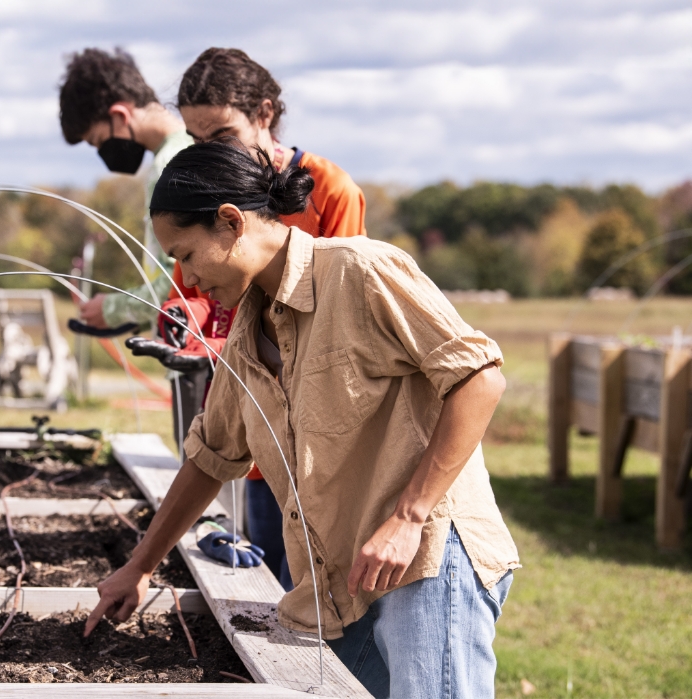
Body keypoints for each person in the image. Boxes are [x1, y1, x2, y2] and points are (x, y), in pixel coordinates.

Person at [85, 142, 519, 699]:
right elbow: (210, 456)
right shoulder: (245, 330)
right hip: (345, 579)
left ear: (230, 222)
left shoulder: (360, 271)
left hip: (426, 557)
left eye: (187, 255)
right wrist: (140, 567)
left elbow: (479, 379)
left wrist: (408, 516)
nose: (186, 280)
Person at [170, 47, 369, 589]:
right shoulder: (206, 195)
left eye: (220, 137)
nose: (206, 152)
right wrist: (186, 317)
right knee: (267, 575)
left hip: (314, 416)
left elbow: (340, 304)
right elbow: (191, 287)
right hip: (253, 411)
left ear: (263, 113)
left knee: (314, 571)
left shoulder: (330, 190)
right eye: (195, 142)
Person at [58, 47, 194, 330]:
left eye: (98, 140)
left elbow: (180, 280)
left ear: (119, 114)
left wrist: (113, 310)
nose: (102, 154)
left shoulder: (169, 165)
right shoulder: (187, 148)